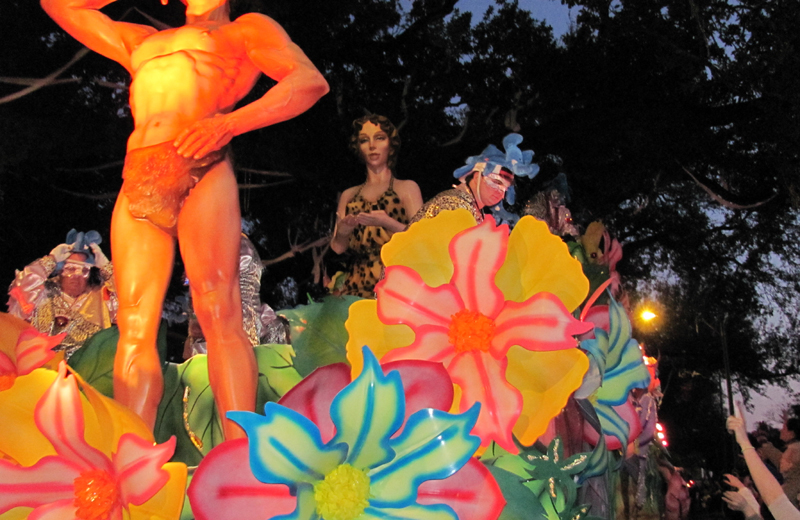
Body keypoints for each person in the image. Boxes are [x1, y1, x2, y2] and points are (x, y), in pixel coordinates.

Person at [41, 0, 328, 439]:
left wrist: (230, 124)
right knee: (133, 324)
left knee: (218, 311)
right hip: (140, 170)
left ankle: (237, 459)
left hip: (202, 162)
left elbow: (309, 81)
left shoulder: (242, 31)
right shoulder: (139, 40)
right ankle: (132, 460)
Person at [330, 114, 423, 298]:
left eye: (379, 138)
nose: (372, 146)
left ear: (391, 143)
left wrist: (388, 222)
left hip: (397, 284)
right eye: (365, 140)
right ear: (358, 147)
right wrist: (343, 231)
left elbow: (421, 240)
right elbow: (337, 247)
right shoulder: (349, 195)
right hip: (355, 287)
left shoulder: (406, 188)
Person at [7, 230, 116, 358]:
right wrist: (51, 259)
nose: (76, 276)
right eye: (70, 268)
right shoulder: (43, 291)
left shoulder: (102, 295)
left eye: (84, 270)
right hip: (40, 368)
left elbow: (131, 304)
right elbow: (21, 288)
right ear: (60, 269)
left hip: (83, 372)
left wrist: (107, 267)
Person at [408, 133, 538, 225]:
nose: (501, 192)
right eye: (496, 182)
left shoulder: (474, 208)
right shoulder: (454, 203)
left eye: (506, 189)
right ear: (477, 175)